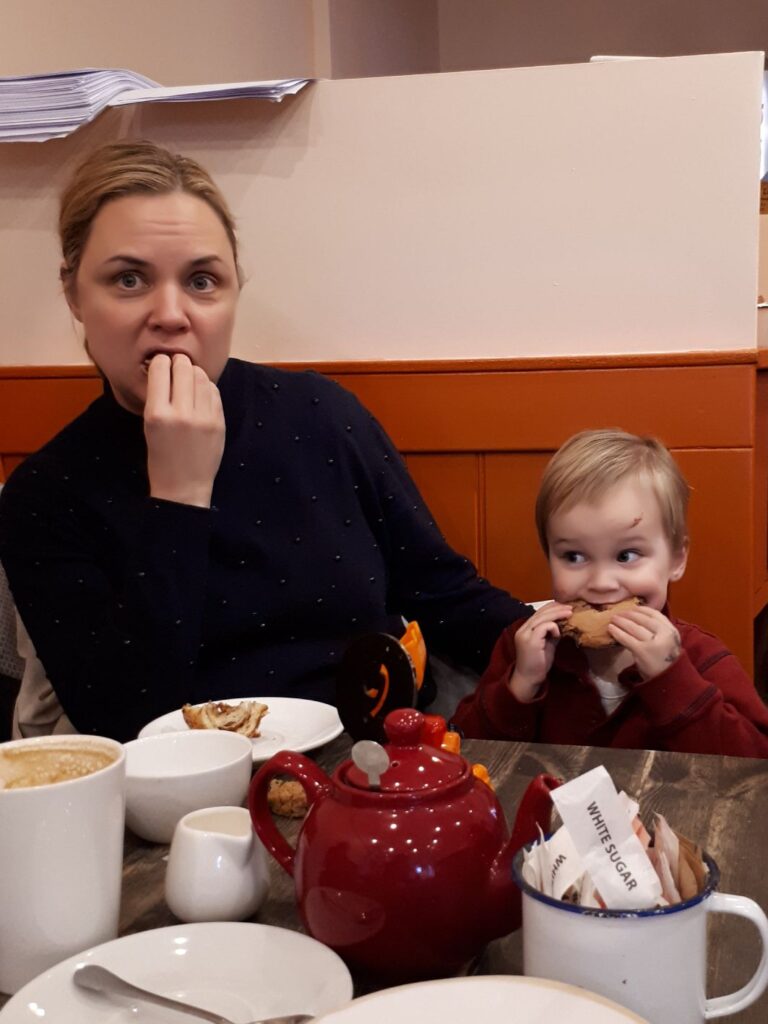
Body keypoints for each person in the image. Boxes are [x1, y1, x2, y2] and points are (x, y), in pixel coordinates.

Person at [0, 140, 529, 743]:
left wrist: (566, 643)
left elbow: (443, 593)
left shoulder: (322, 414)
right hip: (186, 784)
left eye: (201, 280)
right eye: (128, 279)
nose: (171, 314)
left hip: (379, 763)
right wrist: (179, 495)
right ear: (74, 294)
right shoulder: (45, 495)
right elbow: (125, 720)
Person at [452, 428, 768, 757]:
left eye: (626, 555)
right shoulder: (523, 649)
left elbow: (754, 767)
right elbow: (461, 753)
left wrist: (673, 681)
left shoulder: (701, 657)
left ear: (676, 559)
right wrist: (521, 684)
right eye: (574, 556)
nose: (602, 582)